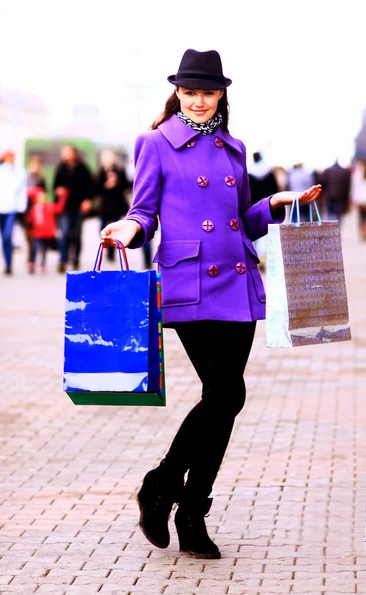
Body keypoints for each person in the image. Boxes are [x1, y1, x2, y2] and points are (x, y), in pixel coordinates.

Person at [100, 49, 322, 559]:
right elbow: (144, 209)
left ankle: (188, 511)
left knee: (228, 398)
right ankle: (162, 487)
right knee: (224, 394)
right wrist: (129, 230)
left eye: (208, 92)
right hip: (191, 284)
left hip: (237, 282)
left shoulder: (233, 147)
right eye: (190, 92)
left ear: (221, 95)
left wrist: (277, 204)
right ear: (177, 93)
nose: (199, 102)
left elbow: (241, 217)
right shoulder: (155, 143)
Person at [53, 145, 95, 272]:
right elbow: (55, 186)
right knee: (64, 233)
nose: (66, 155)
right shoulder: (61, 169)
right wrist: (58, 191)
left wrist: (87, 201)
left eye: (68, 153)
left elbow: (91, 187)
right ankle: (62, 260)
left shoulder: (83, 169)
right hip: (65, 206)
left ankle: (76, 260)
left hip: (78, 206)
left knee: (76, 234)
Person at [0, 150, 28, 275]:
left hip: (12, 208)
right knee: (3, 236)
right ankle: (7, 263)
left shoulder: (19, 172)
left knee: (7, 234)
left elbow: (22, 190)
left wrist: (22, 206)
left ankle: (9, 262)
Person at [96, 150, 131, 262]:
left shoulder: (120, 171)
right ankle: (107, 247)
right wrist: (106, 185)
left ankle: (112, 251)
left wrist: (117, 182)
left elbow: (126, 186)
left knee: (114, 228)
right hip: (105, 206)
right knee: (102, 228)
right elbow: (96, 188)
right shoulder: (101, 172)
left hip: (116, 205)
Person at [248, 152, 279, 268]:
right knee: (265, 234)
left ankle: (254, 257)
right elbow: (275, 190)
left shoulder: (249, 173)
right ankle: (263, 258)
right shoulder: (269, 173)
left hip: (252, 207)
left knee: (252, 234)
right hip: (268, 207)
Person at [26, 187, 68, 273]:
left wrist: (62, 197)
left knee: (44, 249)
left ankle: (42, 263)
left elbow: (60, 208)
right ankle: (32, 263)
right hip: (37, 233)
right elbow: (29, 219)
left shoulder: (49, 206)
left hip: (47, 233)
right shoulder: (34, 208)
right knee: (35, 248)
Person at [24, 155, 47, 266]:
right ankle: (31, 255)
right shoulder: (25, 177)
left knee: (37, 235)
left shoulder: (41, 179)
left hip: (37, 209)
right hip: (26, 208)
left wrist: (35, 193)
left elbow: (44, 194)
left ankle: (34, 258)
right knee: (28, 235)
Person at [350, 160, 366, 241]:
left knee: (361, 217)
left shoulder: (357, 174)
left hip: (360, 200)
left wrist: (353, 199)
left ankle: (362, 232)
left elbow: (354, 187)